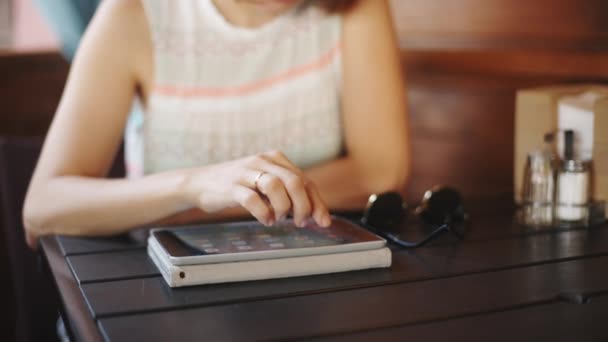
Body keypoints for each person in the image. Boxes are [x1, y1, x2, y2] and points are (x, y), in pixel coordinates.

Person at [23, 0, 410, 249]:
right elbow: (43, 207)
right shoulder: (134, 14)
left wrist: (218, 202)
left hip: (309, 270)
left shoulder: (356, 7)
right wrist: (194, 185)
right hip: (154, 280)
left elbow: (380, 172)